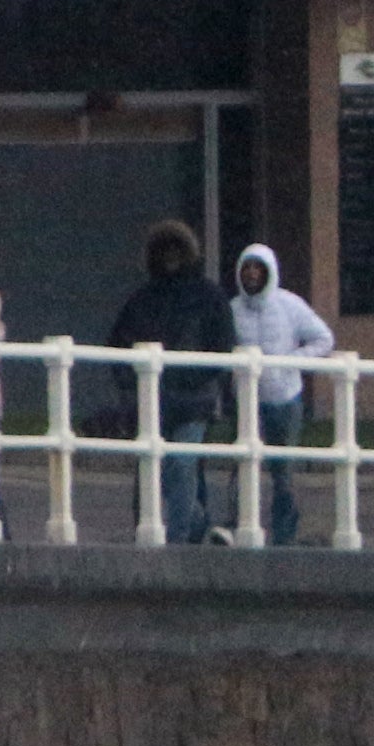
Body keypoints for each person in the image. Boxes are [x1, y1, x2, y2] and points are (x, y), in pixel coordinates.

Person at [103, 221, 240, 544]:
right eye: (164, 251)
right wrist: (131, 383)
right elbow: (117, 344)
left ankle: (178, 539)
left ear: (188, 253)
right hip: (153, 399)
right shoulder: (143, 299)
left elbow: (222, 346)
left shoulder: (209, 297)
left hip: (194, 400)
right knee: (152, 471)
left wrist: (195, 378)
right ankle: (186, 523)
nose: (171, 257)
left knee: (181, 464)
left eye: (177, 250)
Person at [229, 243, 332, 544]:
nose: (251, 274)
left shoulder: (290, 305)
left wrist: (291, 363)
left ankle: (283, 535)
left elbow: (323, 338)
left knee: (282, 472)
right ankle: (237, 527)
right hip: (246, 403)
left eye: (257, 268)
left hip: (285, 400)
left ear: (268, 272)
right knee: (242, 468)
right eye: (246, 268)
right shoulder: (233, 310)